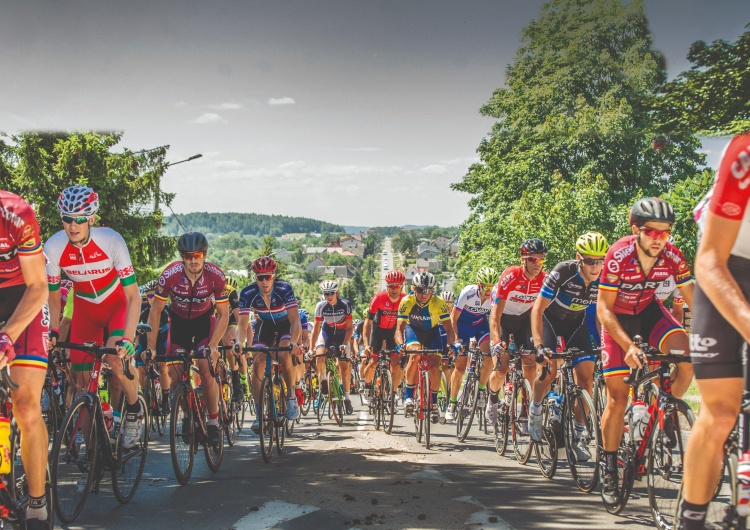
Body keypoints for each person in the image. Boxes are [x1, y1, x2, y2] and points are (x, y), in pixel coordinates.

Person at [597, 197, 694, 508]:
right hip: (618, 318)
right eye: (652, 232)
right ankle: (610, 466)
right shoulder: (618, 255)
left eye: (665, 233)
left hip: (650, 311)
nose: (659, 240)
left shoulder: (672, 256)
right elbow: (603, 308)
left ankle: (663, 414)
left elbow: (697, 301)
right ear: (635, 229)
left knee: (688, 358)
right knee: (617, 396)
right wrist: (628, 346)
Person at [677, 134, 750, 530]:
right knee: (721, 413)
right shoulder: (745, 154)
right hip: (727, 263)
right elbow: (708, 262)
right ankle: (691, 521)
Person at [46, 186, 144, 451]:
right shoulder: (54, 246)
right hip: (85, 312)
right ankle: (92, 456)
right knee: (80, 385)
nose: (73, 225)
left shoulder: (111, 240)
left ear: (91, 218)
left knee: (115, 356)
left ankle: (134, 411)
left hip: (116, 307)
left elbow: (134, 296)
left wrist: (128, 336)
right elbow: (53, 296)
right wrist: (53, 330)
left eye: (79, 218)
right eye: (67, 218)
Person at [527, 232, 608, 459]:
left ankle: (579, 437)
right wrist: (539, 345)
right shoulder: (563, 271)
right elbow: (537, 309)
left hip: (576, 324)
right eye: (590, 261)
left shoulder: (604, 278)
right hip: (550, 322)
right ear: (578, 258)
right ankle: (535, 409)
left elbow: (601, 315)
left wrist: (603, 345)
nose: (595, 266)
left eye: (599, 260)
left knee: (586, 379)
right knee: (549, 371)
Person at [147, 232, 229, 447]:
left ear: (205, 255)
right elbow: (155, 312)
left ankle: (212, 422)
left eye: (198, 255)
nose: (193, 260)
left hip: (204, 322)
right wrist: (151, 347)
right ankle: (186, 415)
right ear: (182, 257)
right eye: (188, 256)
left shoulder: (216, 276)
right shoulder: (170, 275)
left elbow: (223, 314)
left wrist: (213, 346)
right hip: (179, 322)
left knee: (205, 370)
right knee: (175, 378)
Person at [0, 190, 51, 529]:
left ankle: (37, 501)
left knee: (26, 403)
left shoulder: (15, 213)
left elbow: (38, 286)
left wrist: (7, 335)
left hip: (24, 297)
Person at [237, 256, 302, 433]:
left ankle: (290, 396)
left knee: (283, 354)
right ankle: (259, 414)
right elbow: (242, 325)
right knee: (257, 363)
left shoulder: (284, 289)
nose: (265, 281)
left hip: (284, 324)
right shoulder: (248, 293)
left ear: (274, 276)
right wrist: (238, 342)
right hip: (264, 325)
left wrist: (294, 342)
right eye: (260, 277)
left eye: (268, 277)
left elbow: (295, 320)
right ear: (255, 278)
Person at [487, 238, 548, 418]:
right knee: (501, 369)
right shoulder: (511, 276)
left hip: (524, 321)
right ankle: (492, 399)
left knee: (530, 366)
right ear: (523, 259)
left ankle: (525, 411)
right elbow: (495, 315)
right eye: (533, 259)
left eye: (541, 260)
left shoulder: (544, 279)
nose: (537, 264)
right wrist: (497, 341)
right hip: (504, 320)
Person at [396, 272, 458, 423]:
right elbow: (399, 329)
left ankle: (434, 403)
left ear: (432, 289)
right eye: (420, 290)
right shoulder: (406, 301)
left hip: (432, 332)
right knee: (415, 355)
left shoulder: (439, 302)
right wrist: (399, 344)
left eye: (428, 290)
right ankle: (409, 396)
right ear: (413, 288)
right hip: (413, 331)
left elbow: (449, 329)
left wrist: (451, 345)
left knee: (435, 368)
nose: (424, 294)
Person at [445, 268, 498, 422]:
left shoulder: (494, 296)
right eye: (485, 287)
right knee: (460, 368)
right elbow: (453, 319)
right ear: (478, 285)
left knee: (489, 358)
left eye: (491, 287)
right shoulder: (467, 293)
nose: (488, 291)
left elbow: (497, 318)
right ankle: (453, 403)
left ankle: (481, 390)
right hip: (462, 327)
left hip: (480, 326)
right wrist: (455, 341)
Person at [310, 280, 355, 414]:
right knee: (319, 357)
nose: (328, 296)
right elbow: (316, 329)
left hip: (342, 334)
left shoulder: (345, 305)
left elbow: (349, 328)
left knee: (345, 368)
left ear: (337, 293)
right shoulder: (321, 306)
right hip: (327, 332)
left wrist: (345, 343)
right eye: (325, 294)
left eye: (331, 293)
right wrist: (311, 349)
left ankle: (347, 398)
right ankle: (323, 383)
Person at [361, 270, 406, 403]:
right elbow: (367, 324)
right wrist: (366, 344)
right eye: (391, 286)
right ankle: (368, 386)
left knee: (396, 364)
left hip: (394, 333)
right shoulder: (379, 298)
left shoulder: (405, 299)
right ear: (387, 287)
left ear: (401, 287)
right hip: (378, 332)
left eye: (397, 286)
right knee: (373, 362)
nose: (394, 289)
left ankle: (393, 392)